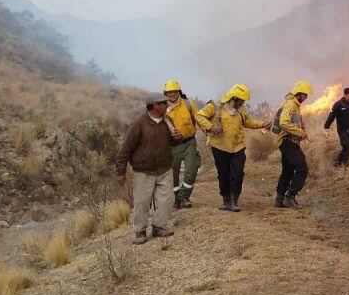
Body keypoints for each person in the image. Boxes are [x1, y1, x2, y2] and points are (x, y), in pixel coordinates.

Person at [115, 93, 179, 245]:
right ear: (155, 106)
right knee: (142, 202)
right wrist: (120, 171)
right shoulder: (139, 124)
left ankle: (159, 227)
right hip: (143, 171)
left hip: (164, 169)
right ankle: (140, 231)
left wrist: (178, 138)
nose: (167, 105)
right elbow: (126, 149)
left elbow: (173, 142)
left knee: (167, 200)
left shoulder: (168, 121)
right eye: (164, 103)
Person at [194, 84, 269, 212]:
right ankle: (226, 200)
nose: (242, 103)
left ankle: (234, 200)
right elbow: (199, 116)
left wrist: (262, 124)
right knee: (223, 174)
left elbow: (248, 122)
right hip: (220, 147)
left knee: (238, 174)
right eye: (240, 100)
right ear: (233, 98)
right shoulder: (215, 106)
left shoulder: (241, 110)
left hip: (238, 147)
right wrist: (211, 126)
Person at [162, 80, 202, 209]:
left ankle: (184, 197)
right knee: (172, 174)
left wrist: (210, 131)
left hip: (189, 142)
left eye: (174, 91)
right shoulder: (162, 109)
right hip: (172, 146)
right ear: (165, 94)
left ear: (179, 91)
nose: (172, 94)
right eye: (169, 92)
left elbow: (199, 119)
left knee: (191, 170)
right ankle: (175, 200)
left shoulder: (188, 104)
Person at [274, 81, 312, 209]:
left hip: (289, 142)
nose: (306, 98)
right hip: (288, 142)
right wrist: (300, 132)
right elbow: (284, 123)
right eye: (305, 95)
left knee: (288, 171)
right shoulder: (291, 105)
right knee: (302, 168)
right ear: (299, 94)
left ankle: (279, 199)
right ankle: (289, 197)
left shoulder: (295, 106)